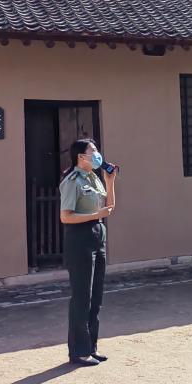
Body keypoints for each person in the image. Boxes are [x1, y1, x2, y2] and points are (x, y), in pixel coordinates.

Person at [59, 139, 117, 367]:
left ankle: (91, 347)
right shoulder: (72, 181)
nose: (97, 154)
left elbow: (108, 208)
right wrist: (95, 216)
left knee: (96, 297)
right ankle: (79, 352)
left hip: (97, 236)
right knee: (81, 298)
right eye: (92, 151)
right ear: (80, 157)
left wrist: (110, 183)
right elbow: (65, 216)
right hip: (79, 239)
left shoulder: (94, 178)